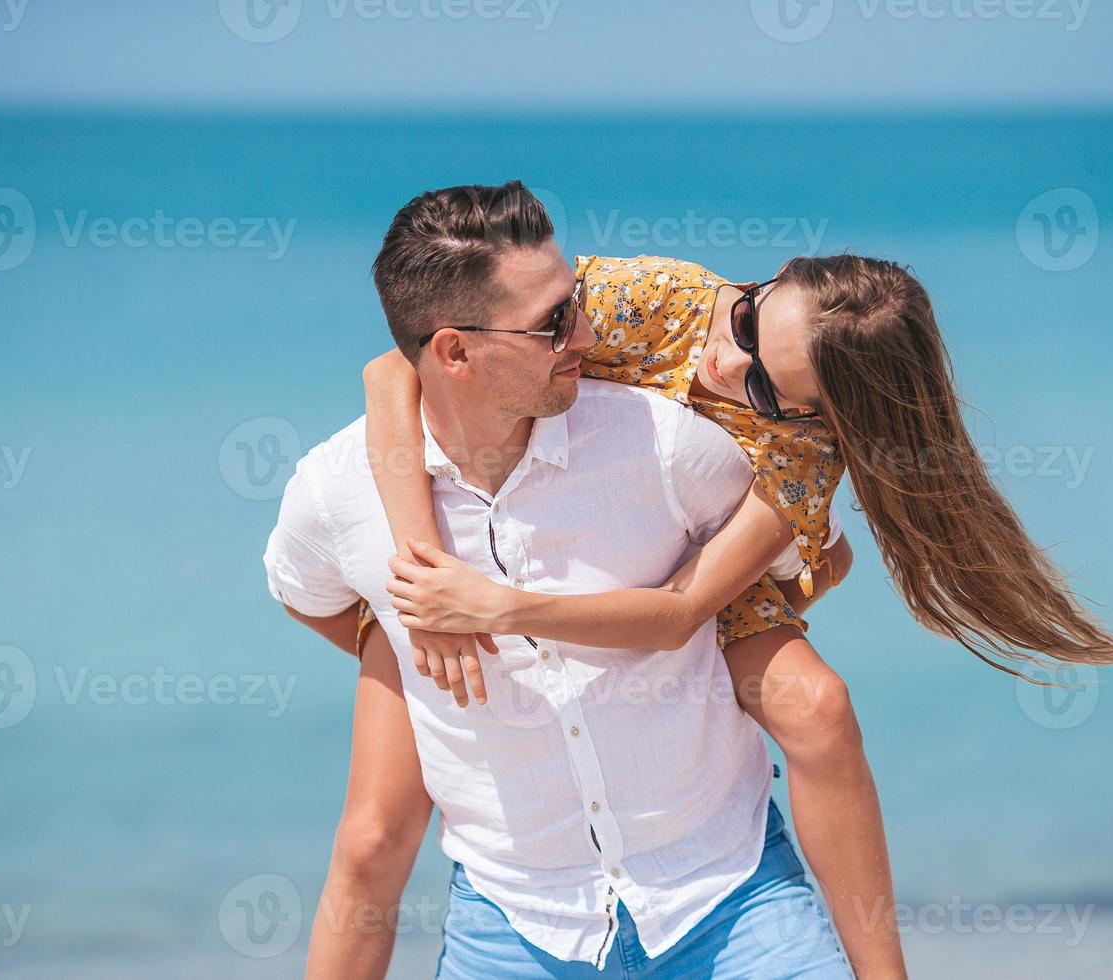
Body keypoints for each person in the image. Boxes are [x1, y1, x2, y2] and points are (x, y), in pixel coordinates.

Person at [352, 183, 1113, 974]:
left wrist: (499, 607)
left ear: (821, 416)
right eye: (746, 321)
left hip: (700, 564)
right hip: (600, 524)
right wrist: (426, 578)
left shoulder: (806, 452)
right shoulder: (658, 296)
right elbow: (394, 366)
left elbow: (684, 609)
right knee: (371, 834)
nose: (724, 361)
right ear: (764, 284)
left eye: (765, 386)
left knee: (820, 711)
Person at [265, 181, 872, 979]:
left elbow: (814, 555)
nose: (586, 330)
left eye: (575, 303)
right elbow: (305, 591)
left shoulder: (667, 444)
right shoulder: (335, 489)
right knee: (370, 838)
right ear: (453, 352)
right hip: (516, 924)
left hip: (726, 894)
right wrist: (413, 631)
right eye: (555, 322)